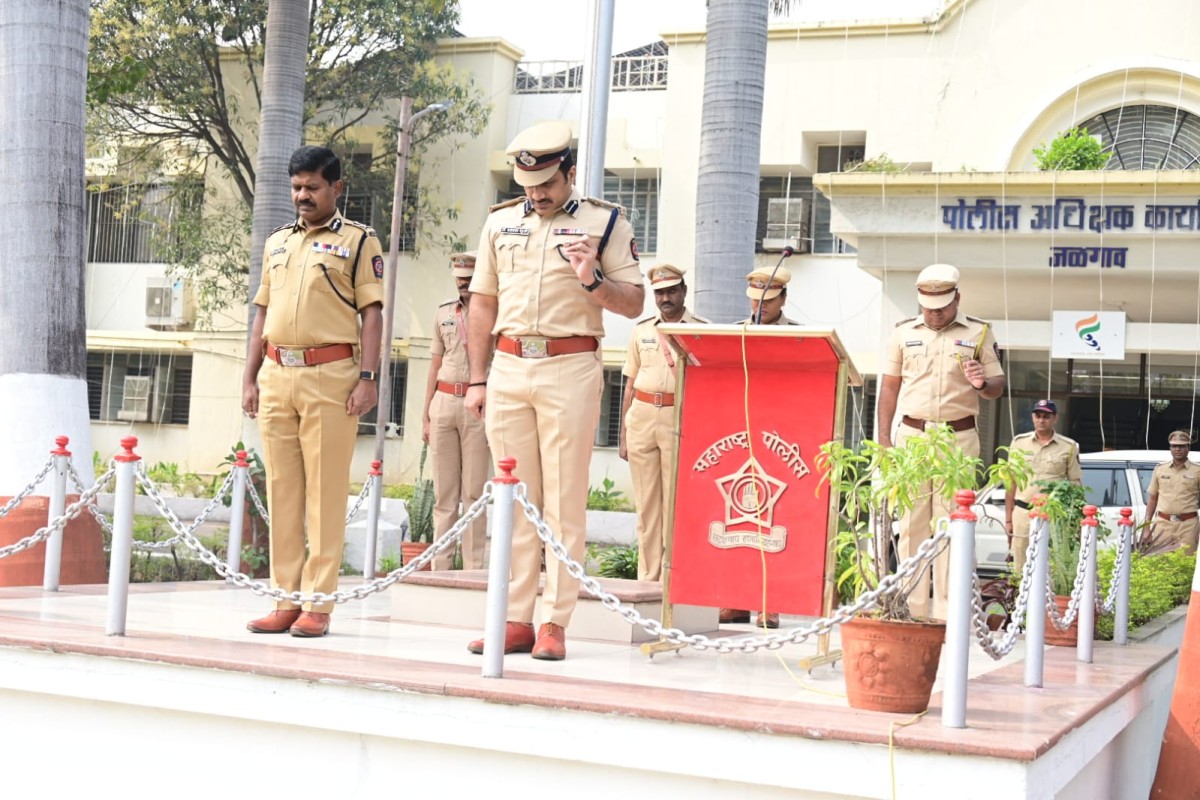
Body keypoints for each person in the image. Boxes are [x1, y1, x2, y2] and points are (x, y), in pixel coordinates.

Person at [464, 121, 645, 660]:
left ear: (569, 172)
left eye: (546, 184)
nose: (537, 195)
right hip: (510, 367)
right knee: (515, 500)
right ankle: (516, 617)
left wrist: (593, 280)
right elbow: (483, 302)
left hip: (571, 367)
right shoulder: (499, 223)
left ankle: (555, 622)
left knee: (564, 499)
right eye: (527, 186)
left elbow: (634, 302)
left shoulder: (605, 221)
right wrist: (477, 378)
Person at [242, 145, 384, 638]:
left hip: (332, 377)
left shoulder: (360, 241)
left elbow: (372, 314)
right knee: (282, 491)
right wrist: (250, 376)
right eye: (297, 187)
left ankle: (318, 603)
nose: (303, 196)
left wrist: (368, 379)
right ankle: (284, 598)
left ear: (336, 188)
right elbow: (262, 311)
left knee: (324, 494)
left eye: (313, 187)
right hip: (278, 374)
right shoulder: (278, 242)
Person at [877, 263, 1005, 620]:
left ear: (957, 299)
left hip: (958, 439)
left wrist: (982, 384)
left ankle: (948, 610)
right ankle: (913, 607)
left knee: (952, 524)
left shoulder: (979, 333)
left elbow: (997, 387)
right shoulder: (902, 333)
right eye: (928, 308)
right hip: (913, 438)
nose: (934, 315)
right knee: (912, 525)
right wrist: (885, 440)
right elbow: (889, 388)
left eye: (942, 308)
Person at [618, 264, 708, 582]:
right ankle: (648, 577)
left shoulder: (700, 329)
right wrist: (623, 435)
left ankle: (674, 578)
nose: (665, 298)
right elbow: (628, 385)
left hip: (678, 418)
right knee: (646, 505)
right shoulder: (642, 330)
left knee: (675, 504)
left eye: (671, 291)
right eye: (660, 293)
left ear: (684, 291)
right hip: (641, 415)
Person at [721, 266, 798, 628]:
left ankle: (771, 603)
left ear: (783, 298)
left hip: (782, 440)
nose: (759, 307)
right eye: (754, 301)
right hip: (738, 436)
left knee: (775, 521)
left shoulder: (802, 337)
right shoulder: (735, 333)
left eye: (766, 301)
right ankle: (735, 599)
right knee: (736, 517)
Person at [421, 252, 492, 571]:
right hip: (444, 403)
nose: (463, 283)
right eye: (459, 278)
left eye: (469, 278)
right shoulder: (442, 313)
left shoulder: (496, 311)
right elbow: (434, 364)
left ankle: (474, 568)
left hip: (479, 405)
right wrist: (426, 414)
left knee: (474, 493)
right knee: (444, 495)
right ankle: (440, 566)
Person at [1005, 399, 1081, 572]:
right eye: (1038, 415)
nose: (1041, 420)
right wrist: (1008, 519)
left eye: (1046, 416)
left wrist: (1076, 519)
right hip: (1023, 513)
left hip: (1054, 513)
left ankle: (1048, 600)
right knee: (1020, 563)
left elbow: (1075, 483)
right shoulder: (1019, 443)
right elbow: (1011, 483)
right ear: (1033, 417)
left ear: (1055, 418)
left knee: (1052, 564)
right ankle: (1019, 597)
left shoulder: (1068, 446)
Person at [1143, 430, 1200, 555]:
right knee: (1163, 563)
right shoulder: (1160, 469)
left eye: (1181, 446)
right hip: (1163, 525)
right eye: (1174, 446)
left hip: (1189, 526)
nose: (1177, 449)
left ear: (1188, 448)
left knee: (1187, 563)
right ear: (1170, 448)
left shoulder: (1197, 470)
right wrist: (1146, 528)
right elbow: (1152, 499)